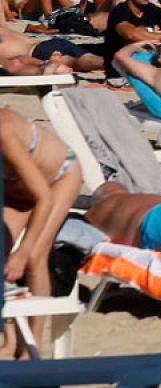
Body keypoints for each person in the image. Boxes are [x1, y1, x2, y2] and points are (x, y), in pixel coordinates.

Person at [0, 108, 82, 330]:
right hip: (17, 188)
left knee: (34, 257)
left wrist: (23, 251)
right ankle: (12, 340)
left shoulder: (5, 135)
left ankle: (33, 344)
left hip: (58, 179)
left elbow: (44, 198)